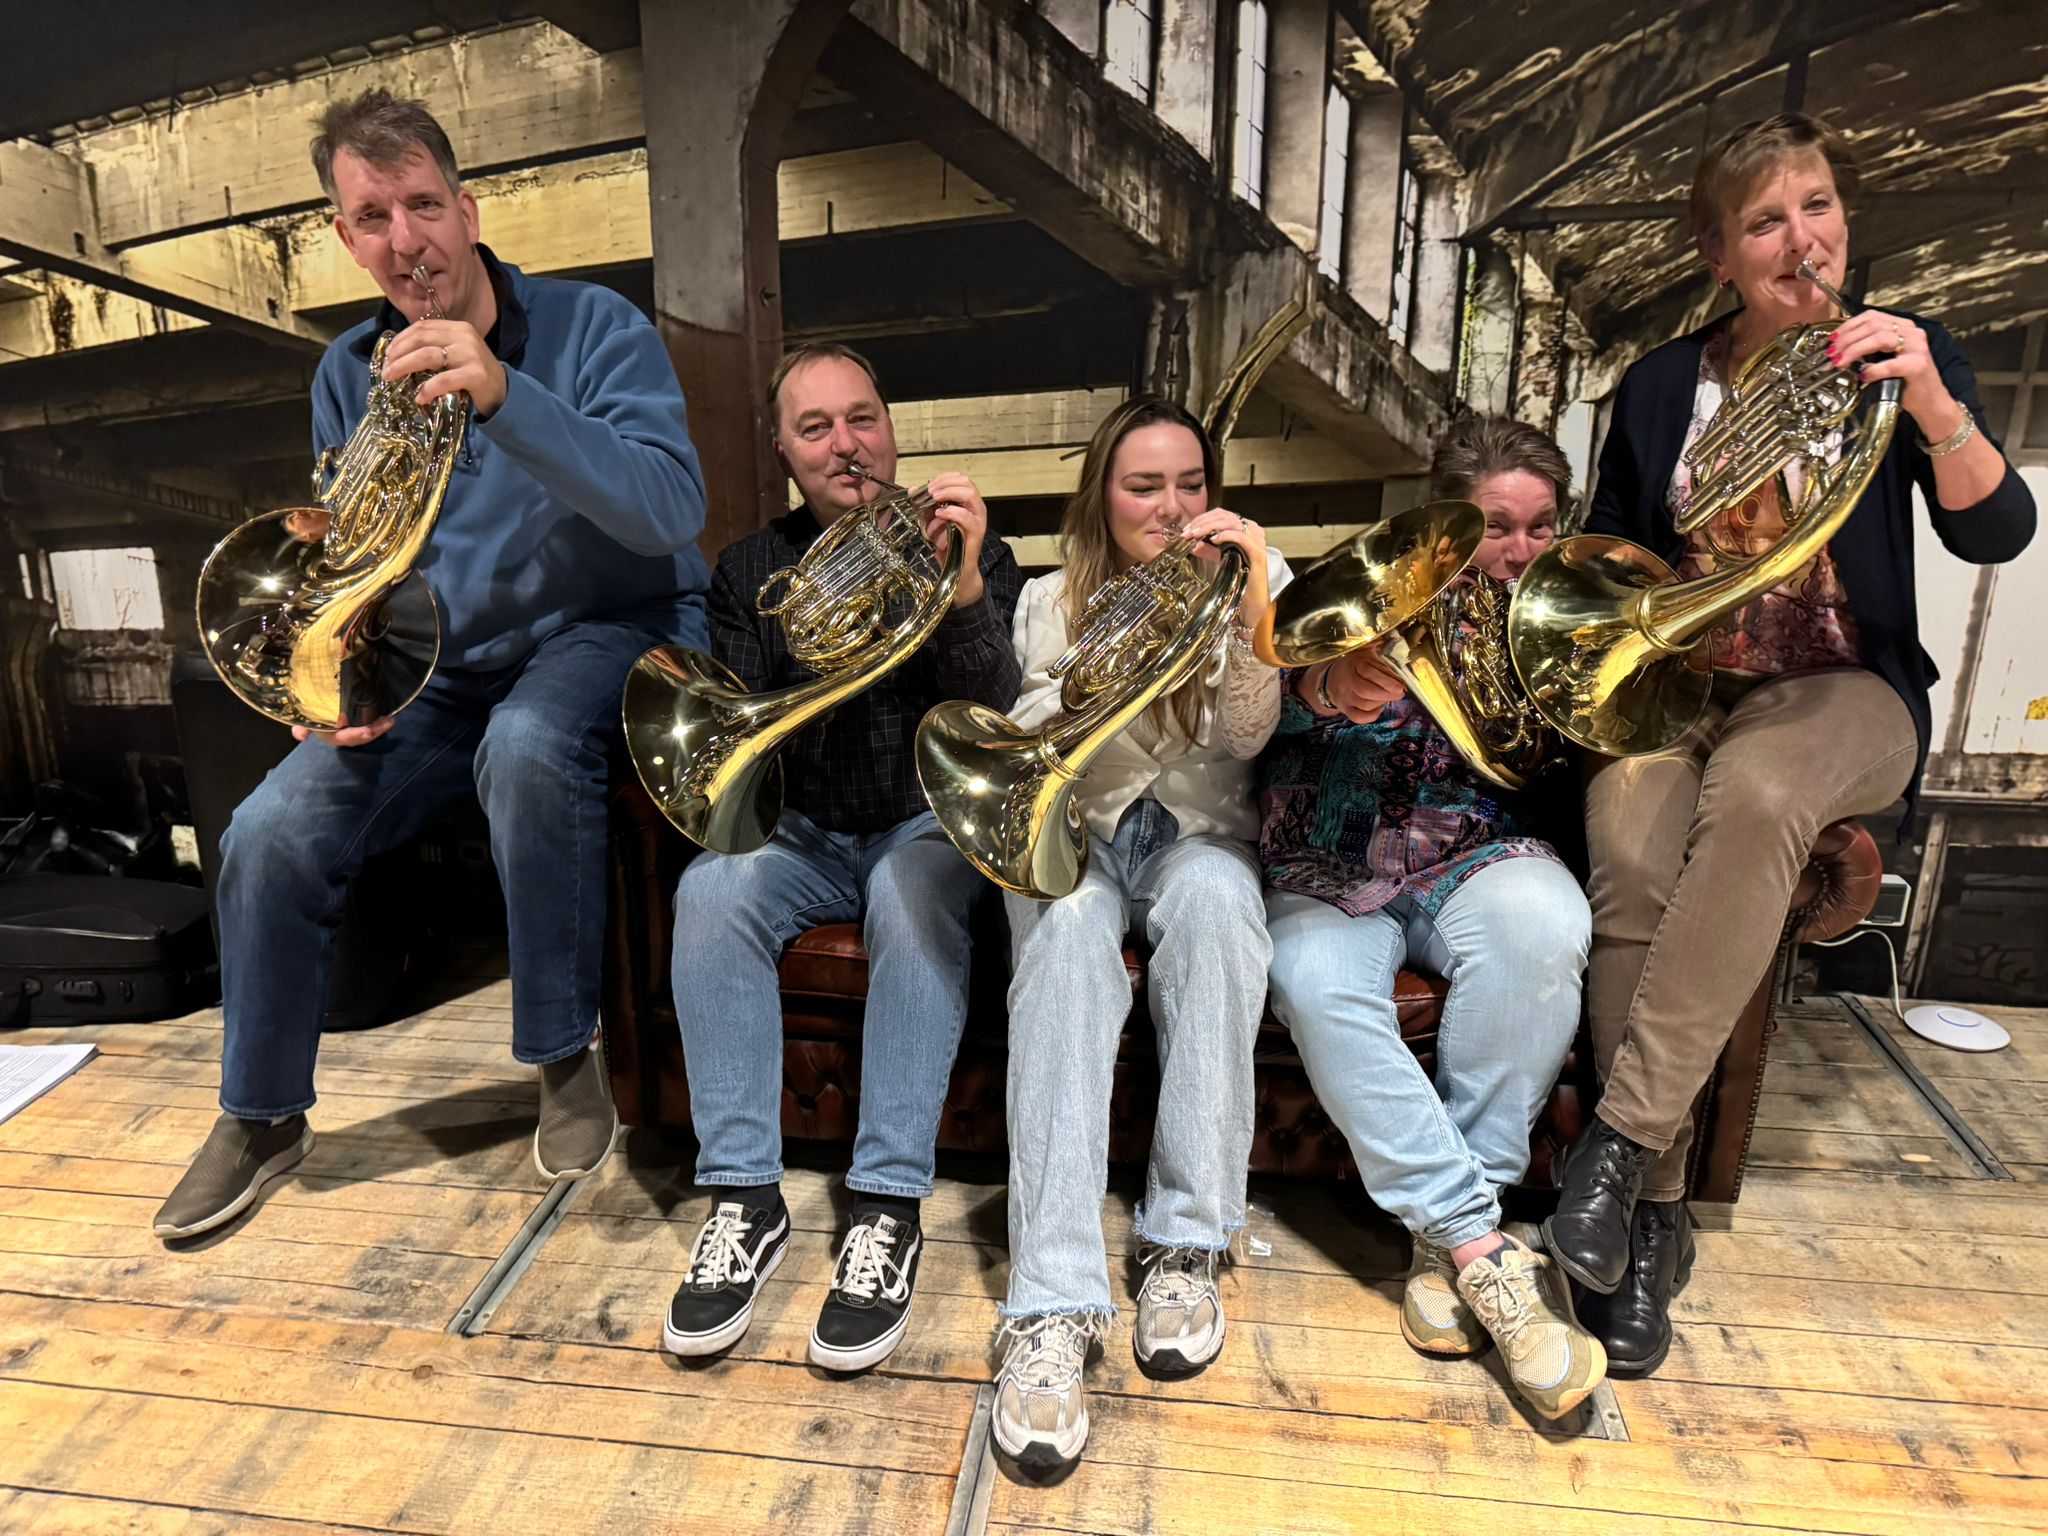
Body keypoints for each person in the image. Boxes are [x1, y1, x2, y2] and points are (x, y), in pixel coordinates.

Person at [154, 89, 711, 1239]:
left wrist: (507, 397)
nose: (405, 240)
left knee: (530, 742)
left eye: (421, 205)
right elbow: (360, 559)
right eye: (373, 217)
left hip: (612, 623)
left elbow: (669, 509)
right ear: (345, 237)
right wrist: (335, 678)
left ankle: (560, 1053)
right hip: (445, 669)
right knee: (267, 830)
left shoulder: (595, 328)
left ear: (467, 211)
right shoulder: (345, 373)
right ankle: (261, 1113)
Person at [1551, 112, 2036, 1377]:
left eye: (1815, 207)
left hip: (1842, 689)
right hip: (1683, 682)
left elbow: (1994, 533)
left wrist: (1931, 402)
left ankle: (1615, 1148)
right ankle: (1651, 1215)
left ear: (1843, 222)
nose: (1798, 238)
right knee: (1630, 854)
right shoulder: (1661, 384)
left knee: (1761, 791)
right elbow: (1613, 545)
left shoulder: (1898, 358)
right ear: (1717, 254)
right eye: (1763, 220)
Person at [661, 344, 1023, 1374]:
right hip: (805, 825)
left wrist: (961, 589)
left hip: (920, 820)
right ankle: (744, 1197)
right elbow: (739, 730)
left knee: (911, 899)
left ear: (891, 431)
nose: (845, 444)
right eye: (814, 428)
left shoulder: (964, 542)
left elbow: (997, 708)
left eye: (861, 418)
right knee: (710, 892)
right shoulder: (749, 570)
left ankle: (885, 1206)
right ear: (784, 451)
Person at [1260, 416, 1606, 1422]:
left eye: (1539, 526)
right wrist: (1329, 685)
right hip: (1329, 855)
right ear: (1445, 522)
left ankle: (1440, 1243)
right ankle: (1478, 1244)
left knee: (1545, 927)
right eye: (1496, 526)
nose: (1519, 551)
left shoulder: (1555, 618)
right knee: (1312, 981)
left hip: (1472, 851)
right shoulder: (1360, 577)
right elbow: (1257, 700)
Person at [988, 397, 1287, 1482]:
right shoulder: (1049, 598)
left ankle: (1186, 1243)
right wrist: (1099, 673)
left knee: (1217, 912)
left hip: (1200, 832)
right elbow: (1025, 737)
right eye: (1143, 487)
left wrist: (1248, 608)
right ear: (1102, 499)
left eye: (1189, 485)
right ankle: (1050, 1303)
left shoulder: (1259, 577)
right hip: (1080, 828)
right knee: (1067, 935)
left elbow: (1246, 735)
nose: (1170, 508)